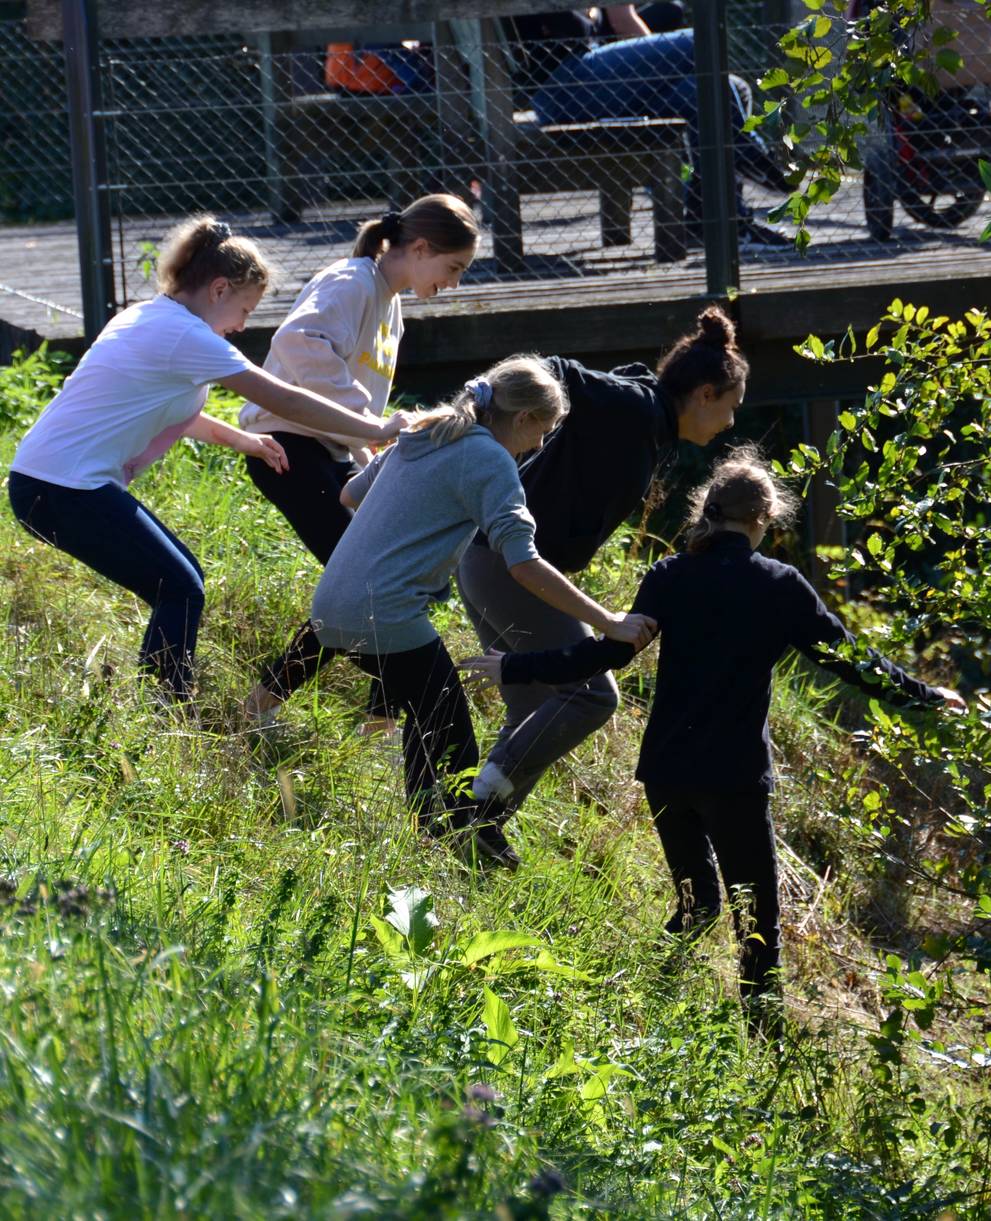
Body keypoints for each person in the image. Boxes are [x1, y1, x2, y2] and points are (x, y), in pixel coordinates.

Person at [460, 448, 965, 1031]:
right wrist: (928, 696)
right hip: (734, 774)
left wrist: (515, 667)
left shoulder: (671, 575)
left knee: (697, 904)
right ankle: (764, 1040)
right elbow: (850, 661)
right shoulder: (781, 586)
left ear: (707, 510)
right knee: (759, 923)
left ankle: (645, 1004)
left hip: (668, 770)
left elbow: (603, 654)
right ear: (766, 517)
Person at [244, 356, 655, 865]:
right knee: (449, 733)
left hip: (331, 601)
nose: (542, 445)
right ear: (524, 419)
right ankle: (438, 846)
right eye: (544, 430)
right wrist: (608, 621)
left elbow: (350, 493)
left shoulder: (422, 431)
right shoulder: (490, 460)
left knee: (429, 712)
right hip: (386, 612)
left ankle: (427, 835)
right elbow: (523, 564)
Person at [7, 216, 411, 703]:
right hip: (59, 488)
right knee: (178, 586)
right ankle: (167, 712)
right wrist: (375, 427)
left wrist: (245, 440)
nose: (242, 325)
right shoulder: (187, 337)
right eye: (244, 309)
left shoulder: (152, 318)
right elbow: (285, 398)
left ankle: (166, 704)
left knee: (183, 581)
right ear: (219, 289)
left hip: (52, 483)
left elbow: (168, 411)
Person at [457, 306, 747, 846]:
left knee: (536, 703)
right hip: (510, 565)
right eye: (730, 406)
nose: (731, 422)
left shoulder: (646, 410)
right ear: (705, 394)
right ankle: (471, 812)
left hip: (490, 560)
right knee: (592, 695)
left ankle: (478, 830)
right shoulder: (634, 406)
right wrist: (484, 419)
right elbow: (556, 368)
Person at [239, 194, 479, 732]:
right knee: (366, 584)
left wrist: (370, 453)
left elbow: (355, 396)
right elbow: (298, 344)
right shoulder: (351, 282)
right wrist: (367, 425)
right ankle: (331, 715)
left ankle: (344, 716)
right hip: (286, 449)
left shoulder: (389, 302)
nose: (455, 282)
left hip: (328, 453)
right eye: (454, 268)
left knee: (372, 582)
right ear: (419, 248)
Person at [504, 5, 791, 246]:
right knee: (702, 39)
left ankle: (719, 221)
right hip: (566, 87)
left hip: (598, 86)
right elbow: (618, 21)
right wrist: (664, 64)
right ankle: (745, 151)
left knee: (721, 88)